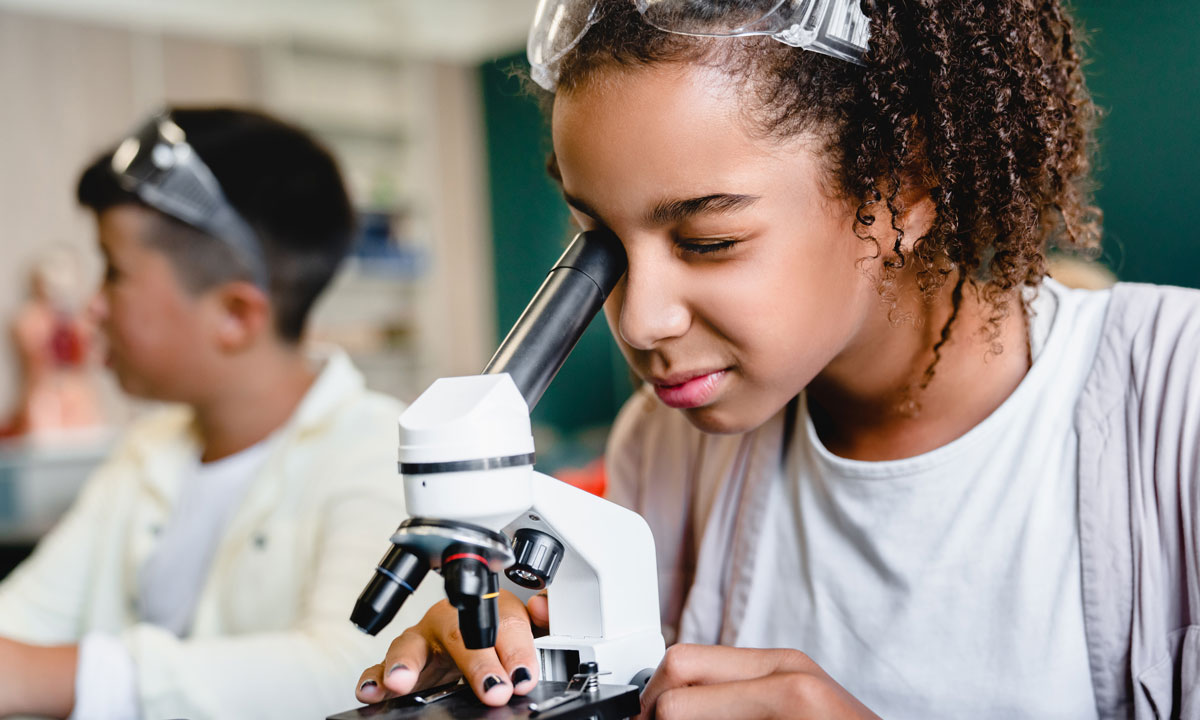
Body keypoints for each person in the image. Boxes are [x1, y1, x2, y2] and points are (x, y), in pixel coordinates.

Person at [357, 0, 1200, 718]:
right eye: (600, 245)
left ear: (900, 190)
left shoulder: (1179, 398)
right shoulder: (665, 444)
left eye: (709, 240)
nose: (641, 321)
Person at [0, 107, 434, 719]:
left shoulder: (384, 455)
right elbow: (21, 622)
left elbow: (353, 671)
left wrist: (61, 680)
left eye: (114, 272)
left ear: (235, 314)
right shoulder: (147, 449)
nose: (93, 308)